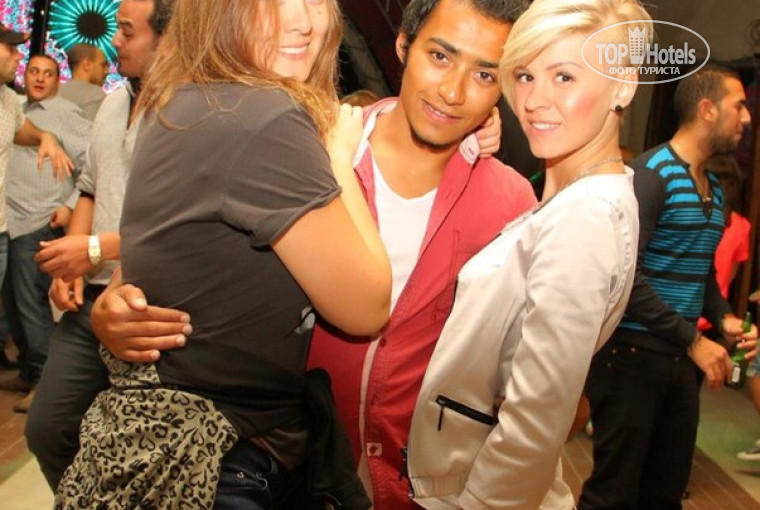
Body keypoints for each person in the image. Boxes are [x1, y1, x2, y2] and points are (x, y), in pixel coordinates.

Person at [91, 1, 536, 508]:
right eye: (439, 56)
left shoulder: (508, 203)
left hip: (424, 487)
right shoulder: (314, 143)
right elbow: (197, 234)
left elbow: (525, 377)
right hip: (292, 472)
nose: (454, 92)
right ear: (403, 45)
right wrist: (118, 298)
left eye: (484, 74)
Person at [55, 0, 393, 508]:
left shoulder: (185, 99)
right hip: (213, 461)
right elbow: (366, 307)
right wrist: (338, 159)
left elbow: (183, 243)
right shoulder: (262, 116)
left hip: (164, 442)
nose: (303, 22)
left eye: (315, 1)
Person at [405, 0, 647, 508]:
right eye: (525, 76)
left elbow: (534, 426)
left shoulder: (586, 215)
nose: (534, 100)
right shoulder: (582, 196)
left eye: (564, 77)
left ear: (622, 86)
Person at [579, 65, 758, 510]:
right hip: (630, 359)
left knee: (665, 493)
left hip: (678, 361)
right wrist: (694, 340)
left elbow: (702, 273)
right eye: (739, 106)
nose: (747, 118)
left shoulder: (713, 188)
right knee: (613, 495)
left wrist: (724, 318)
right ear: (707, 109)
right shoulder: (651, 175)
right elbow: (626, 275)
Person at [24, 0, 174, 490]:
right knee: (48, 428)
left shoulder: (189, 110)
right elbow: (89, 187)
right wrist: (73, 260)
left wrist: (93, 250)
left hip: (146, 305)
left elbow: (182, 226)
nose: (114, 41)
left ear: (165, 38)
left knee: (139, 451)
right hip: (90, 298)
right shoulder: (113, 102)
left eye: (127, 32)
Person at [2, 54, 90, 413]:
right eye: (34, 72)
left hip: (39, 220)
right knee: (12, 304)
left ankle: (44, 381)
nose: (39, 79)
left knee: (31, 305)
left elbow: (90, 167)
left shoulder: (67, 114)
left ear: (58, 79)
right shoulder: (16, 107)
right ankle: (27, 370)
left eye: (48, 74)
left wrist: (70, 205)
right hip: (10, 220)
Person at [58, 43, 108, 121]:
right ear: (86, 65)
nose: (106, 71)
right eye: (103, 65)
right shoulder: (96, 95)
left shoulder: (53, 92)